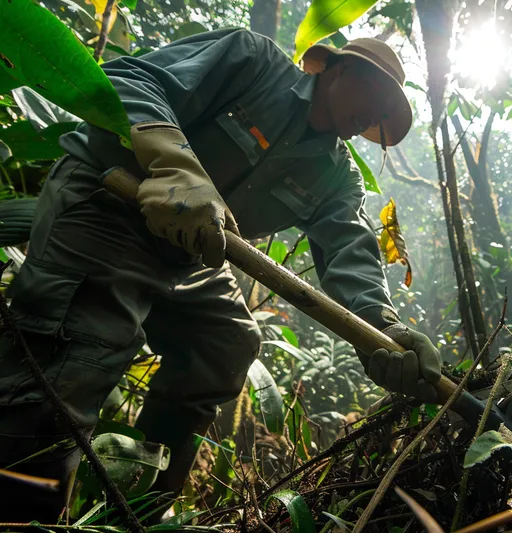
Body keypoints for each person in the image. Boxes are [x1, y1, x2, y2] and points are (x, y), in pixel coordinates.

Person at [0, 29, 442, 521]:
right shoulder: (253, 62)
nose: (375, 118)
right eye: (378, 97)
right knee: (75, 358)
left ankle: (137, 508)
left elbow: (351, 250)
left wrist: (381, 325)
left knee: (225, 341)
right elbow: (131, 79)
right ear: (339, 69)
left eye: (387, 115)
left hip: (185, 258)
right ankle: (21, 514)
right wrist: (172, 163)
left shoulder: (337, 174)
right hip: (108, 202)